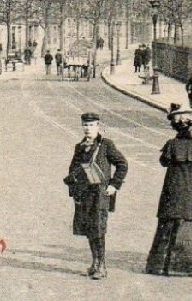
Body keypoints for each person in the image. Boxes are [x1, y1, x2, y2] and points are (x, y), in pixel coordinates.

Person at [145, 105, 192, 277]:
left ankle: (161, 266)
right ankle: (187, 267)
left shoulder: (171, 145)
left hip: (172, 194)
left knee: (167, 227)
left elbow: (163, 161)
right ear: (191, 125)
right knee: (190, 227)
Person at [63, 113, 128, 280]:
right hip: (85, 194)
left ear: (98, 127)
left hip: (100, 194)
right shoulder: (79, 147)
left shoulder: (106, 145)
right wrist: (74, 187)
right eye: (85, 125)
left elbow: (122, 164)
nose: (87, 128)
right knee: (89, 229)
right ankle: (95, 262)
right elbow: (73, 168)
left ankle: (101, 265)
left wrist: (114, 185)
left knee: (98, 228)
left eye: (91, 125)